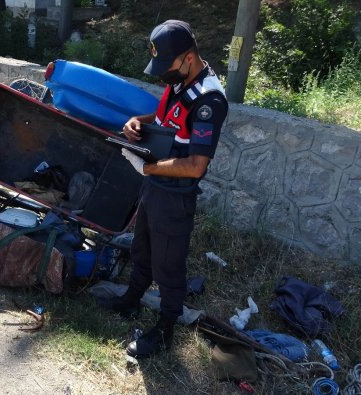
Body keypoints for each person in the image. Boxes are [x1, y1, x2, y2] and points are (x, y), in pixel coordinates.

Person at [101, 20, 229, 359]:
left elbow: (196, 165)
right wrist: (137, 123)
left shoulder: (208, 100)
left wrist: (146, 167)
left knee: (169, 265)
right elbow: (164, 121)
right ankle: (131, 301)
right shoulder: (180, 80)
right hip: (155, 183)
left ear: (188, 58)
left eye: (165, 66)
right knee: (141, 248)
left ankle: (164, 330)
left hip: (175, 196)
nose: (161, 76)